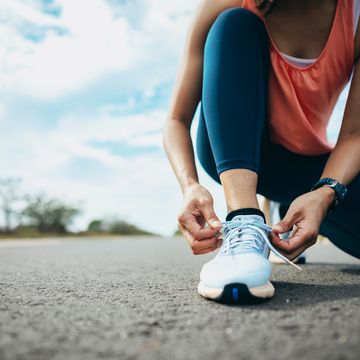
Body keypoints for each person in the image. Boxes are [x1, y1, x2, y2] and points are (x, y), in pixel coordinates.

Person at [162, 0, 360, 303]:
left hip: (311, 170)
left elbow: (355, 134)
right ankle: (244, 219)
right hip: (237, 149)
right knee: (234, 22)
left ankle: (287, 209)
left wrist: (325, 193)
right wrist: (189, 186)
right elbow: (176, 120)